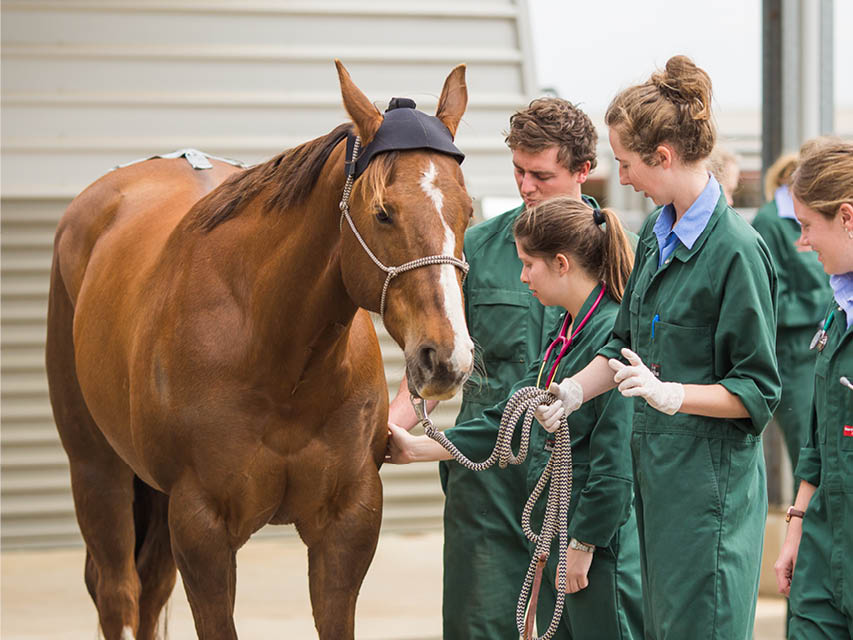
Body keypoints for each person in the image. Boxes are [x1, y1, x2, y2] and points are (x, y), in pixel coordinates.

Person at [541, 55, 781, 639]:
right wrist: (575, 390)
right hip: (659, 487)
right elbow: (624, 344)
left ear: (664, 157)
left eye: (624, 163)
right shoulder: (656, 234)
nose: (620, 177)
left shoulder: (737, 252)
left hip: (708, 499)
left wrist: (674, 394)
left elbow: (758, 391)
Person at [385, 98, 601, 639]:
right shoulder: (478, 245)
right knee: (477, 626)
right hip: (485, 479)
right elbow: (441, 362)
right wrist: (389, 426)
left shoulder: (616, 254)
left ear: (583, 171)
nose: (526, 187)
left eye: (542, 176)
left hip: (578, 479)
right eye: (518, 172)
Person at [388, 195, 643, 640]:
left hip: (598, 548)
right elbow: (505, 421)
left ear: (561, 264)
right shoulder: (564, 337)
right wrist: (416, 449)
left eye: (529, 264)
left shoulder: (610, 335)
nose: (522, 275)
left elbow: (615, 461)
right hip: (557, 537)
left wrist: (585, 544)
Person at [773, 140, 853, 640]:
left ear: (847, 216)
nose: (802, 242)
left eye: (807, 226)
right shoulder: (839, 305)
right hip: (824, 545)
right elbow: (819, 432)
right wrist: (797, 524)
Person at [751, 151, 831, 491]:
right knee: (808, 458)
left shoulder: (821, 214)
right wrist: (827, 302)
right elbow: (770, 302)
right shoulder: (769, 221)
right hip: (793, 362)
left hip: (824, 350)